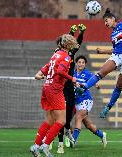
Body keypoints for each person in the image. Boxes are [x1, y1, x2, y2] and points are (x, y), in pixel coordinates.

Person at [82, 8, 122, 118]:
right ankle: (83, 89)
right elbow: (115, 49)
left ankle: (108, 107)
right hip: (117, 56)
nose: (105, 23)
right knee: (101, 72)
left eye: (106, 20)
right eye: (104, 21)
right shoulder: (113, 35)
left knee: (119, 85)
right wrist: (103, 51)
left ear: (113, 19)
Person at [30, 34, 79, 157]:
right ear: (68, 45)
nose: (74, 44)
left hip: (46, 88)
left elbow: (40, 73)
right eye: (72, 42)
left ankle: (36, 146)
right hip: (55, 90)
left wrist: (41, 75)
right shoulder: (66, 57)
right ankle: (45, 146)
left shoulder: (54, 56)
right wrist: (72, 78)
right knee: (61, 120)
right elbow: (60, 71)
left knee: (50, 120)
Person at [55, 24, 86, 154]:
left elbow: (76, 43)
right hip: (59, 86)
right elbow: (69, 41)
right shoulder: (58, 53)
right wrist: (71, 32)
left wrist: (81, 33)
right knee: (59, 115)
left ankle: (67, 128)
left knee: (69, 112)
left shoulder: (70, 52)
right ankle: (60, 143)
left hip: (69, 87)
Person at [72, 55, 107, 148]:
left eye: (83, 62)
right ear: (76, 63)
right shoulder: (72, 73)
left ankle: (73, 140)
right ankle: (102, 135)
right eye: (79, 62)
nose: (81, 64)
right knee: (88, 125)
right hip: (75, 101)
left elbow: (95, 81)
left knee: (78, 117)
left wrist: (97, 85)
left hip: (85, 100)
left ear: (85, 64)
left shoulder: (87, 74)